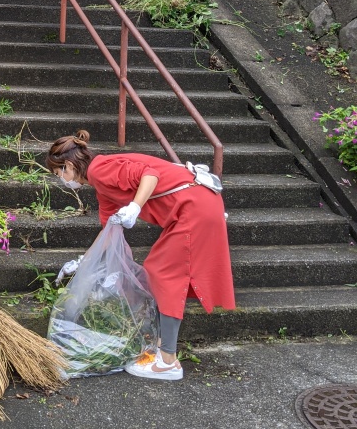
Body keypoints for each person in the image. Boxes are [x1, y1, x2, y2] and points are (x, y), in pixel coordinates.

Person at [46, 130, 235, 382]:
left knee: (162, 272)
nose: (63, 181)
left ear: (69, 165)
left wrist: (135, 206)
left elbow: (150, 174)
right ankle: (163, 350)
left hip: (193, 207)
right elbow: (108, 233)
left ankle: (168, 361)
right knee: (165, 272)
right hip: (197, 204)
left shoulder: (100, 169)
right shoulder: (103, 188)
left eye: (60, 175)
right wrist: (82, 262)